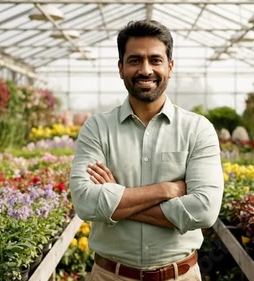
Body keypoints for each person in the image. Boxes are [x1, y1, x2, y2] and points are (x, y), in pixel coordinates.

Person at [69, 19, 224, 281]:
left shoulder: (198, 129)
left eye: (155, 60)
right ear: (120, 68)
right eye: (134, 60)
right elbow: (85, 201)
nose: (145, 69)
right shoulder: (97, 128)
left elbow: (204, 210)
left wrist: (117, 203)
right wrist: (168, 190)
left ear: (170, 67)